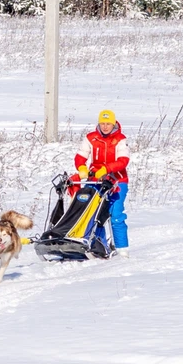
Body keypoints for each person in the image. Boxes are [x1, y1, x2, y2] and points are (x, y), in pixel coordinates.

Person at [71, 109, 130, 258]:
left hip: (117, 181)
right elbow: (80, 156)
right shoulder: (91, 138)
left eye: (108, 123)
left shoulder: (120, 139)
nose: (105, 127)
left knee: (115, 214)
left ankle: (122, 249)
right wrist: (82, 168)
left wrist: (106, 169)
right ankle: (98, 245)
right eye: (102, 123)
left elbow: (123, 161)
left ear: (113, 124)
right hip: (95, 180)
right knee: (90, 212)